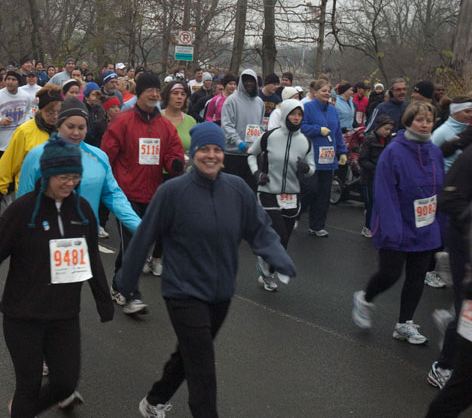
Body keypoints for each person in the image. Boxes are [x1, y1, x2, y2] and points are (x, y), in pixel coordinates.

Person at [114, 122, 296, 418]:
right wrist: (127, 281)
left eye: (216, 150)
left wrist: (279, 257)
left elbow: (259, 229)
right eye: (204, 150)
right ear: (192, 153)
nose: (211, 156)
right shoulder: (173, 192)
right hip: (182, 292)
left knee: (190, 354)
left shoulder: (236, 189)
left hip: (221, 292)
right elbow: (144, 236)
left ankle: (154, 400)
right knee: (202, 365)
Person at [0, 136, 114, 418]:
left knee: (65, 383)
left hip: (64, 315)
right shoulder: (22, 211)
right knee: (29, 384)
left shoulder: (82, 211)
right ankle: (22, 410)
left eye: (74, 177)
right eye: (62, 177)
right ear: (46, 175)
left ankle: (22, 411)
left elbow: (91, 258)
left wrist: (104, 300)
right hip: (23, 315)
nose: (69, 183)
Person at [351, 102, 444, 346]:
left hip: (425, 226)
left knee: (416, 277)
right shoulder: (394, 152)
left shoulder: (434, 151)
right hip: (397, 226)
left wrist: (441, 224)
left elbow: (439, 190)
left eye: (429, 120)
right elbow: (385, 194)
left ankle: (404, 324)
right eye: (419, 120)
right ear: (408, 121)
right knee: (390, 274)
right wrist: (392, 230)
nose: (424, 124)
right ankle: (365, 298)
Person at [101, 72, 185, 314]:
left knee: (138, 246)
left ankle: (119, 285)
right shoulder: (122, 122)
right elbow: (106, 156)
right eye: (150, 90)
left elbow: (173, 153)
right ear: (140, 93)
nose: (155, 94)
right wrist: (106, 188)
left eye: (157, 91)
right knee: (133, 245)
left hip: (153, 194)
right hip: (125, 194)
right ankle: (130, 293)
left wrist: (175, 164)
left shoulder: (164, 126)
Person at [17, 97, 142, 251]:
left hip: (86, 240)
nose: (76, 133)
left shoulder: (99, 157)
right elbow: (23, 202)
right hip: (45, 242)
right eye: (70, 126)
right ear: (58, 126)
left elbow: (114, 195)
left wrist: (139, 226)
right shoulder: (37, 156)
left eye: (81, 127)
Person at [247, 100, 314, 291]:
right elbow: (251, 154)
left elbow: (312, 168)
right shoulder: (269, 137)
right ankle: (267, 275)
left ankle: (267, 264)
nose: (296, 118)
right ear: (285, 114)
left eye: (299, 115)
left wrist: (306, 168)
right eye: (293, 114)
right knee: (279, 234)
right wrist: (257, 173)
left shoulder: (305, 141)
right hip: (268, 192)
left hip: (292, 195)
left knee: (284, 240)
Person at [423, 140, 472, 397]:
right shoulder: (468, 158)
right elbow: (449, 200)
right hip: (465, 241)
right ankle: (442, 367)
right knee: (468, 309)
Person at [0, 85, 63, 197]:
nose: (55, 116)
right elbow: (9, 161)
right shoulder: (25, 131)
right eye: (50, 112)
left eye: (59, 112)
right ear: (40, 110)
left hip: (58, 193)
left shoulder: (65, 129)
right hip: (29, 192)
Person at [301, 79, 348, 237]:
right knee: (309, 190)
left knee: (323, 194)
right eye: (324, 91)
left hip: (328, 160)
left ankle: (317, 226)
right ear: (315, 92)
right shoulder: (307, 108)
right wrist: (317, 130)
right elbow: (300, 127)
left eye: (329, 91)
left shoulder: (333, 110)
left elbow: (337, 133)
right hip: (312, 157)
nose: (327, 94)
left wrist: (342, 152)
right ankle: (294, 215)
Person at [221, 69, 265, 188]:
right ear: (241, 82)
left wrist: (261, 144)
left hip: (253, 156)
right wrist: (239, 143)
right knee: (232, 191)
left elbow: (260, 126)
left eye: (252, 81)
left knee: (251, 192)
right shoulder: (231, 101)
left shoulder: (260, 102)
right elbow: (227, 126)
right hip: (234, 155)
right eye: (246, 80)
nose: (249, 83)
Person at [0, 70, 34, 164]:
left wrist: (25, 121)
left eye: (13, 79)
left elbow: (29, 111)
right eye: (8, 79)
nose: (10, 82)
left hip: (17, 143)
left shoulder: (25, 96)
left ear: (19, 82)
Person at [358, 114, 394, 238]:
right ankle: (367, 227)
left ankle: (377, 225)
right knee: (371, 204)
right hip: (368, 178)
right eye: (386, 129)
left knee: (380, 203)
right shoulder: (370, 139)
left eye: (390, 129)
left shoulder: (389, 141)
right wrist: (376, 168)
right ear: (378, 127)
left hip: (383, 179)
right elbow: (362, 159)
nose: (388, 132)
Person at [431, 95, 472, 172]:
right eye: (467, 111)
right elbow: (429, 157)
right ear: (454, 111)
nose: (471, 115)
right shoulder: (441, 132)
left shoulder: (468, 131)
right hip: (446, 180)